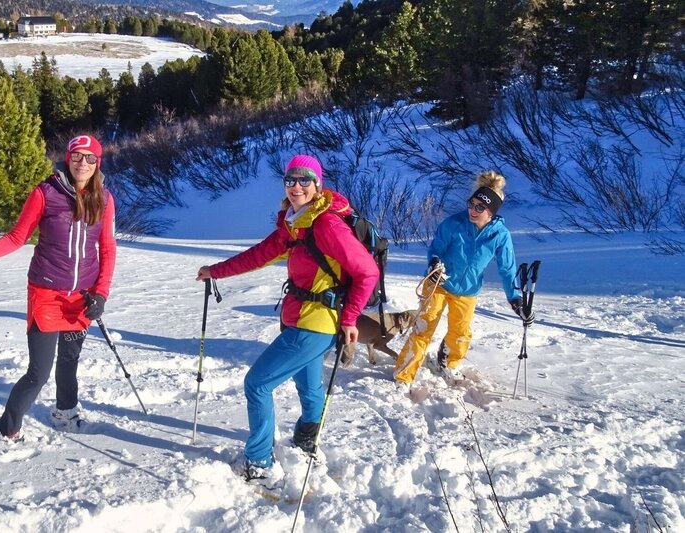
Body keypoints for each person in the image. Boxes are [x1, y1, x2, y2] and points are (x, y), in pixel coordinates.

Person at [196, 155, 379, 482]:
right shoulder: (294, 224)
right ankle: (307, 440)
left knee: (257, 383)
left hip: (318, 322)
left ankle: (259, 462)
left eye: (304, 180)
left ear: (317, 184)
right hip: (299, 317)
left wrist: (350, 319)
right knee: (308, 383)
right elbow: (258, 256)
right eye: (290, 180)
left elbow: (367, 271)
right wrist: (215, 271)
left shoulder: (325, 224)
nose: (296, 186)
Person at [0, 134, 116, 440]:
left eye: (90, 158)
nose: (83, 163)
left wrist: (101, 293)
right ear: (67, 159)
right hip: (47, 293)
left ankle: (66, 414)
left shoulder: (104, 199)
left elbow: (107, 249)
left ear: (98, 163)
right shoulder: (46, 193)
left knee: (69, 362)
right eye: (77, 156)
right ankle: (6, 430)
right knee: (38, 372)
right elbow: (17, 237)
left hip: (82, 297)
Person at [393, 170, 529, 389]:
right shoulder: (453, 223)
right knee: (423, 328)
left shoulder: (500, 235)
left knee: (461, 333)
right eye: (471, 204)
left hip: (467, 290)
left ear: (491, 212)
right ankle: (403, 376)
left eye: (479, 207)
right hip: (438, 282)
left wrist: (514, 298)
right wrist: (434, 263)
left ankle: (447, 363)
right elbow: (435, 248)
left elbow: (507, 268)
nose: (472, 211)